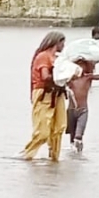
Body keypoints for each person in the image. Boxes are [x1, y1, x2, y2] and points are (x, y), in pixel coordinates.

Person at [22, 31, 68, 162]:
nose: (64, 45)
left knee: (59, 127)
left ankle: (54, 158)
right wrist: (61, 76)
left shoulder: (57, 58)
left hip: (57, 93)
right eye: (62, 42)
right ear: (56, 42)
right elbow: (45, 76)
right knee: (42, 131)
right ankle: (27, 155)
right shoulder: (43, 56)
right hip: (44, 93)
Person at [66, 53, 99, 153]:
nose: (80, 67)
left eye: (82, 64)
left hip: (83, 111)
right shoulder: (70, 79)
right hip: (71, 111)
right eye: (78, 64)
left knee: (78, 136)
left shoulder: (88, 78)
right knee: (72, 140)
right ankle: (74, 161)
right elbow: (59, 81)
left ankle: (80, 159)